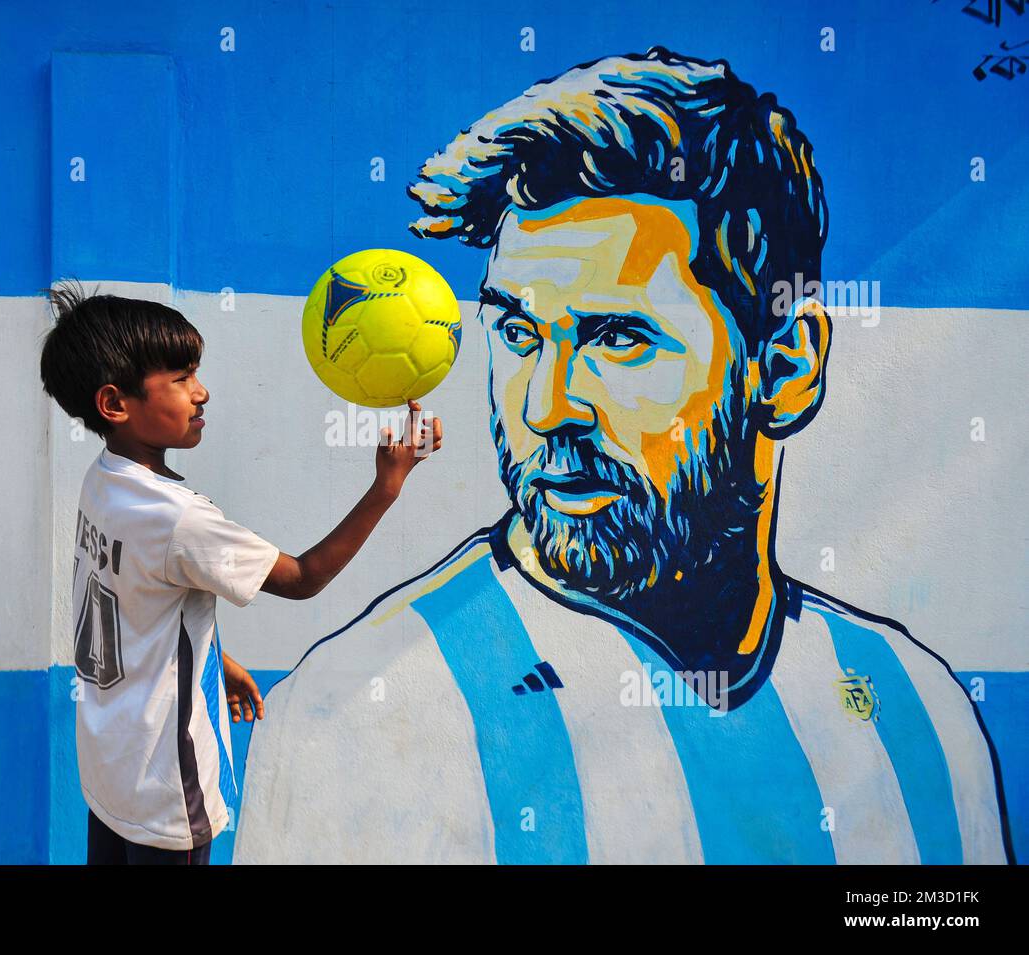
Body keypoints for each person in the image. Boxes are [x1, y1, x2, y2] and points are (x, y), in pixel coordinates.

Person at [234, 47, 1013, 864]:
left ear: (786, 369)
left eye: (618, 336)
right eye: (519, 333)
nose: (546, 406)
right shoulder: (355, 721)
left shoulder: (919, 714)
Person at [38, 284, 442, 864]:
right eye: (179, 379)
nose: (201, 393)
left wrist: (213, 661)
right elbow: (303, 578)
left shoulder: (103, 481)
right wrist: (387, 486)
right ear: (114, 404)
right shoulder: (178, 518)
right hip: (167, 790)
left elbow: (133, 602)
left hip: (111, 773)